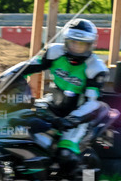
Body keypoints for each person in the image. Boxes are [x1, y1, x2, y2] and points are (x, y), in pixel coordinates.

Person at [15, 18, 110, 169]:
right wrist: (5, 77)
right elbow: (28, 66)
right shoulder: (54, 51)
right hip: (52, 104)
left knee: (64, 155)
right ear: (66, 41)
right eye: (73, 43)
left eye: (82, 44)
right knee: (19, 125)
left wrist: (71, 120)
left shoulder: (96, 68)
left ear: (91, 45)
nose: (77, 48)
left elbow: (92, 102)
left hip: (77, 116)